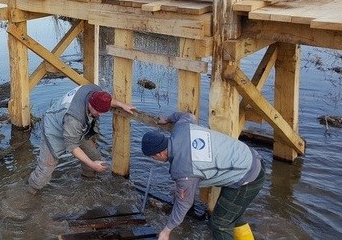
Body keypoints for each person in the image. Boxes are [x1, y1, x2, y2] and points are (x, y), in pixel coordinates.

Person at [141, 112, 264, 240]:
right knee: (231, 215)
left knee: (220, 223)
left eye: (152, 158)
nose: (155, 160)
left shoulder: (183, 169)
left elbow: (183, 204)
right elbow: (188, 116)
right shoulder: (182, 128)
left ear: (159, 154)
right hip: (249, 158)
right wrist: (167, 118)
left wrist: (166, 231)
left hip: (248, 176)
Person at [28, 83, 137, 192]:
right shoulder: (74, 118)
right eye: (98, 111)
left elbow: (106, 101)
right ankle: (31, 191)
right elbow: (72, 147)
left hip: (75, 128)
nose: (100, 115)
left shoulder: (95, 91)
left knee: (93, 156)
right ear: (91, 104)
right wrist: (93, 166)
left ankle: (87, 181)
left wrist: (121, 104)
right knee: (46, 168)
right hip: (53, 128)